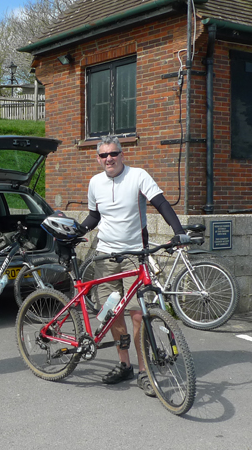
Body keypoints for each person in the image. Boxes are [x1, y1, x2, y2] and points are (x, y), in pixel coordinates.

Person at [78, 135, 188, 397]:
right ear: (98, 158)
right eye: (103, 155)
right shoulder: (95, 182)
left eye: (113, 153)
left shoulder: (138, 176)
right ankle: (124, 364)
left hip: (134, 254)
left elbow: (160, 203)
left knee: (137, 313)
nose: (109, 159)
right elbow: (94, 216)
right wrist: (77, 231)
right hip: (105, 255)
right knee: (111, 312)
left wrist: (178, 231)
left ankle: (144, 370)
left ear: (122, 154)